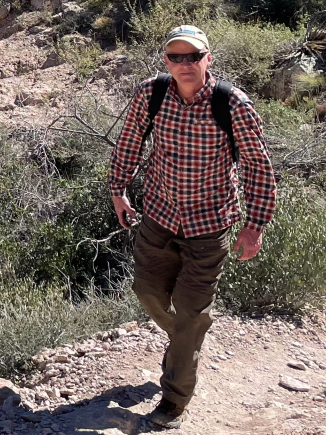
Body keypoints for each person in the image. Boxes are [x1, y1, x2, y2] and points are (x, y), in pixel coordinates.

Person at [107, 25, 278, 430]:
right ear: (166, 61)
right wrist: (118, 189)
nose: (184, 65)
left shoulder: (231, 104)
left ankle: (174, 399)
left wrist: (254, 225)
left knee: (190, 313)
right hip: (159, 217)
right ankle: (185, 337)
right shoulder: (152, 93)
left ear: (208, 58)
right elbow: (130, 140)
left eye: (193, 57)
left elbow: (257, 166)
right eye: (175, 58)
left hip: (209, 226)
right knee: (147, 293)